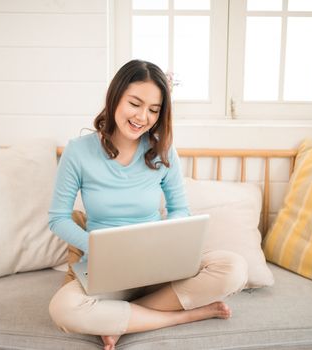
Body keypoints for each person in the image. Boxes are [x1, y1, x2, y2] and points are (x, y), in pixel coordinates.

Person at [48, 59, 248, 350]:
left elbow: (180, 210)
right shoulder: (78, 152)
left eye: (154, 110)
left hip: (157, 268)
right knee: (62, 309)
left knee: (234, 268)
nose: (143, 116)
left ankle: (122, 320)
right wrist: (97, 246)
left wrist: (164, 241)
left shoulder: (163, 152)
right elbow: (58, 218)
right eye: (135, 103)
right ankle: (184, 316)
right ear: (115, 97)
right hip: (106, 268)